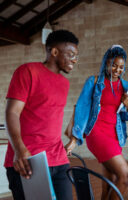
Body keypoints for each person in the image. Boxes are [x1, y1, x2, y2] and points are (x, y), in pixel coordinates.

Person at [4, 29, 79, 200]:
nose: (75, 59)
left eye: (76, 55)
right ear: (54, 52)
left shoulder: (64, 83)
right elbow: (12, 112)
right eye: (71, 54)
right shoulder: (28, 71)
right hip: (28, 159)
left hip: (58, 159)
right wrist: (19, 149)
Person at [64, 45, 128, 200]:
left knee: (110, 181)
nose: (117, 70)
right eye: (114, 65)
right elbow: (82, 109)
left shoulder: (126, 86)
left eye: (121, 67)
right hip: (97, 133)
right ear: (106, 63)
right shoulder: (94, 82)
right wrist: (74, 139)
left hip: (116, 135)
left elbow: (127, 117)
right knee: (125, 175)